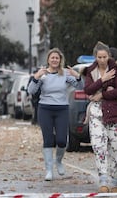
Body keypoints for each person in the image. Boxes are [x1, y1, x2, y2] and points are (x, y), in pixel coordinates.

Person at [27, 48, 82, 181]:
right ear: (48, 60)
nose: (54, 60)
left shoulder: (65, 75)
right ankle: (49, 169)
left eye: (57, 58)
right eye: (52, 58)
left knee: (62, 140)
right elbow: (31, 90)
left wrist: (78, 76)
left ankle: (58, 161)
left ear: (60, 60)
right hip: (45, 108)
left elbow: (80, 87)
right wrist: (36, 77)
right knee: (48, 140)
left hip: (62, 109)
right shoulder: (43, 74)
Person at [83, 41, 117, 193]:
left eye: (105, 57)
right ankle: (103, 180)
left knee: (115, 148)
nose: (102, 60)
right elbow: (88, 90)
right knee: (98, 146)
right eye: (99, 57)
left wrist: (103, 94)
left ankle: (114, 182)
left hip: (115, 112)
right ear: (95, 57)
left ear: (109, 56)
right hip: (96, 112)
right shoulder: (90, 71)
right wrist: (103, 80)